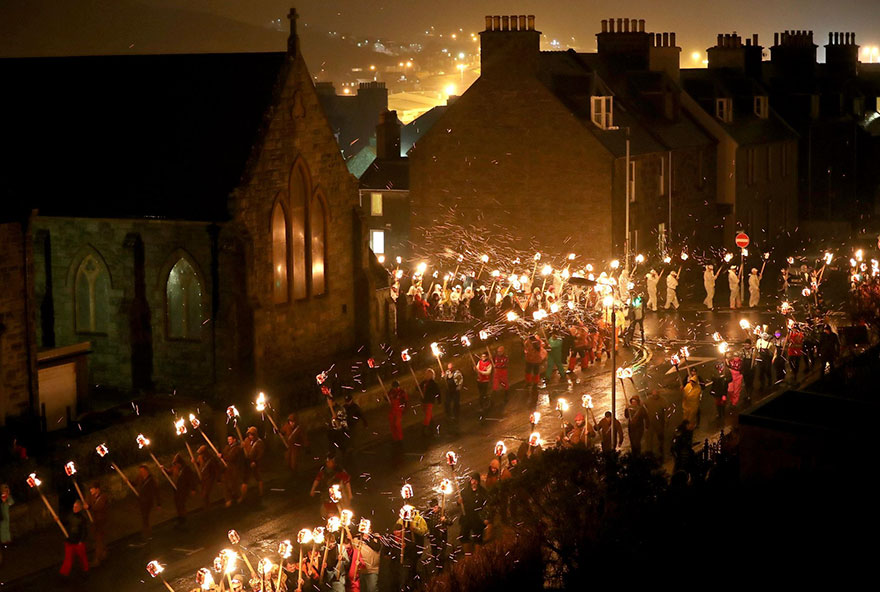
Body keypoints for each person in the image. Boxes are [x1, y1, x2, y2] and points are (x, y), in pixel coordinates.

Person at [309, 454, 352, 518]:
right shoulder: (323, 471)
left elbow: (347, 482)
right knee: (327, 507)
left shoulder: (340, 471)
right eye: (327, 462)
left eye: (330, 462)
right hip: (326, 492)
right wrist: (313, 489)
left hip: (338, 493)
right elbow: (317, 479)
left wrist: (349, 493)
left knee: (339, 508)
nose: (328, 463)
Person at [457, 472, 488, 555]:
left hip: (477, 518)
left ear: (478, 481)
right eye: (472, 480)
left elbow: (486, 506)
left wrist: (486, 518)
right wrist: (459, 502)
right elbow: (460, 504)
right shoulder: (464, 492)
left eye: (476, 481)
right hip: (466, 517)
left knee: (478, 537)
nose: (474, 482)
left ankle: (478, 556)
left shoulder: (482, 492)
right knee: (464, 536)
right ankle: (468, 555)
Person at [59, 500, 89, 576]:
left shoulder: (82, 519)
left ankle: (85, 571)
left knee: (82, 558)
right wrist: (58, 520)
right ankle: (64, 573)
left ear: (80, 508)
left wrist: (81, 541)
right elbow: (65, 523)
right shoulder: (70, 515)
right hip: (70, 541)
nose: (74, 508)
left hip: (78, 542)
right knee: (68, 559)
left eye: (76, 507)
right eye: (73, 506)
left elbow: (84, 531)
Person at [423, 498, 449, 574]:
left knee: (441, 552)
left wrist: (445, 520)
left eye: (435, 507)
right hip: (433, 534)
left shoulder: (443, 511)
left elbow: (450, 522)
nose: (434, 509)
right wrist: (427, 532)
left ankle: (442, 570)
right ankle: (437, 569)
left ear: (437, 505)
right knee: (434, 553)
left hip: (442, 534)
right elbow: (425, 524)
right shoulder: (428, 513)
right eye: (432, 508)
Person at [170, 453, 197, 525]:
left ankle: (183, 518)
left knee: (181, 504)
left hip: (184, 489)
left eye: (177, 463)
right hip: (177, 490)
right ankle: (180, 517)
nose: (176, 465)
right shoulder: (175, 468)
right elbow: (169, 472)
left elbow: (191, 479)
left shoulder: (186, 469)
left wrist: (193, 489)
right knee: (178, 504)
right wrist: (163, 469)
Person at [135, 464, 160, 539]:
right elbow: (134, 483)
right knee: (144, 517)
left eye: (143, 471)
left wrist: (159, 504)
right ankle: (146, 532)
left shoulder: (151, 480)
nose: (141, 473)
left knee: (145, 517)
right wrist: (128, 481)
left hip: (148, 501)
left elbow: (156, 492)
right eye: (140, 471)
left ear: (146, 471)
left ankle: (147, 533)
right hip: (142, 501)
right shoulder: (140, 478)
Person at [86, 482, 108, 566]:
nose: (91, 490)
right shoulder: (91, 496)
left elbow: (99, 507)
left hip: (101, 521)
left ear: (97, 489)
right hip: (95, 521)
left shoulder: (103, 497)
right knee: (99, 539)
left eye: (92, 489)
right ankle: (103, 553)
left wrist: (89, 507)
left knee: (99, 539)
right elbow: (87, 501)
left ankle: (97, 558)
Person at [221, 435, 246, 506]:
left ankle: (239, 496)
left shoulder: (237, 448)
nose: (229, 440)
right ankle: (228, 499)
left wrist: (223, 457)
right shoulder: (227, 447)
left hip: (234, 468)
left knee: (234, 484)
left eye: (230, 439)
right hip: (226, 469)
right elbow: (224, 454)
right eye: (228, 439)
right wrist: (221, 456)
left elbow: (232, 457)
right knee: (225, 484)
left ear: (234, 440)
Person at [196, 444, 222, 509]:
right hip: (203, 477)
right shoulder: (200, 457)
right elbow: (198, 464)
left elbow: (216, 468)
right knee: (203, 492)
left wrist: (218, 479)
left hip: (209, 477)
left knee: (205, 493)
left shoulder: (211, 458)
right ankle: (207, 505)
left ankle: (207, 506)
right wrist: (194, 462)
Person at [644, 389, 667, 460]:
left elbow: (666, 410)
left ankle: (660, 452)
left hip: (659, 422)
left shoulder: (662, 400)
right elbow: (643, 406)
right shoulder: (648, 400)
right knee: (649, 438)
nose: (654, 396)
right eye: (653, 395)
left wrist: (666, 420)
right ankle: (649, 453)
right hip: (650, 422)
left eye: (656, 395)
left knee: (660, 438)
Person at [420, 368, 441, 436]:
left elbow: (438, 392)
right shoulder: (424, 382)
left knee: (428, 415)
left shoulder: (433, 383)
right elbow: (418, 388)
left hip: (430, 400)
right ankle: (432, 426)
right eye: (427, 374)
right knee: (428, 414)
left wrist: (439, 401)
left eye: (429, 374)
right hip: (424, 400)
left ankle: (424, 428)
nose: (427, 375)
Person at [387, 380, 408, 447]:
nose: (396, 388)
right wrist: (386, 398)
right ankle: (395, 439)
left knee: (397, 424)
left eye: (397, 387)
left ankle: (400, 438)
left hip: (399, 410)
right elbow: (388, 398)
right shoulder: (390, 392)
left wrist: (404, 409)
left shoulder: (402, 392)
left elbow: (406, 401)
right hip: (392, 410)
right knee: (392, 425)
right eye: (394, 387)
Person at [475, 352, 493, 418]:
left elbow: (488, 372)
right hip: (479, 380)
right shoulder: (479, 362)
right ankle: (482, 403)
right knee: (480, 393)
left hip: (485, 381)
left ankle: (484, 404)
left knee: (483, 393)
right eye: (482, 356)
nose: (483, 358)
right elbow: (477, 368)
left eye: (484, 356)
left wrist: (481, 372)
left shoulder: (489, 364)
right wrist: (475, 369)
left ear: (486, 357)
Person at [0, 483, 13, 548]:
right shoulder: (1, 496)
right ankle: (3, 542)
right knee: (2, 528)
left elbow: (11, 502)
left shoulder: (7, 496)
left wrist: (7, 496)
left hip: (6, 514)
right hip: (1, 514)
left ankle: (8, 540)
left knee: (6, 527)